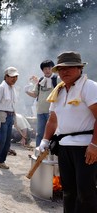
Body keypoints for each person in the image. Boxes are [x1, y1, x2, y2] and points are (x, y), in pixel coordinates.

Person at [39, 51, 97, 213]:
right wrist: (44, 141)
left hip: (85, 148)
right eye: (61, 69)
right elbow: (53, 119)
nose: (65, 72)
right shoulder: (59, 90)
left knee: (86, 192)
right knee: (68, 191)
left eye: (70, 67)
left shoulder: (90, 87)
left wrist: (94, 144)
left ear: (80, 68)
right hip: (64, 147)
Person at [0, 67, 19, 170]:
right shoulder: (1, 88)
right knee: (1, 140)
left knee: (7, 141)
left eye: (16, 77)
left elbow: (12, 104)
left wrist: (14, 117)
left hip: (10, 115)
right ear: (6, 77)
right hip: (2, 115)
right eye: (11, 77)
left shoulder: (12, 89)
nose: (14, 79)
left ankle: (0, 161)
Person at [25, 60, 57, 146]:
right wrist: (26, 91)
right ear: (42, 70)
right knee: (39, 133)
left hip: (52, 112)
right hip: (40, 111)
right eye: (45, 69)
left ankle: (50, 153)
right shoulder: (40, 81)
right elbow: (35, 94)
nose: (47, 70)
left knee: (52, 133)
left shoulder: (56, 79)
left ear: (53, 69)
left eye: (49, 68)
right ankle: (38, 152)